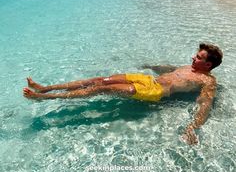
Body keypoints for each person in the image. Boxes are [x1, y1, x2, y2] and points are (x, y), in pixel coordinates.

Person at [23, 42, 223, 145]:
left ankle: (45, 98)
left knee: (103, 89)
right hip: (147, 80)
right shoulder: (189, 67)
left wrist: (192, 127)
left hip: (154, 91)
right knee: (100, 79)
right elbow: (168, 69)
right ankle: (45, 88)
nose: (192, 58)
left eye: (197, 57)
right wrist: (150, 66)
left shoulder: (207, 81)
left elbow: (205, 104)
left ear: (208, 64)